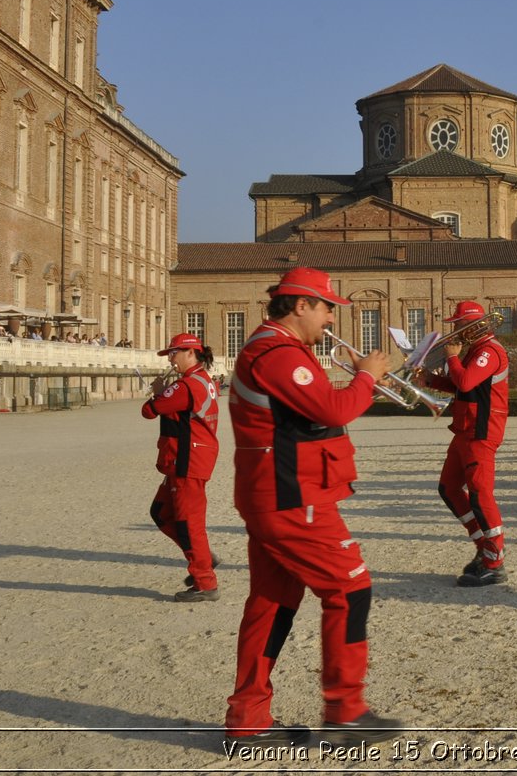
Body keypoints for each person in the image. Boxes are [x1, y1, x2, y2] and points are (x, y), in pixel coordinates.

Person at [222, 266, 400, 750]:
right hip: (291, 496)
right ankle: (345, 711)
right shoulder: (278, 353)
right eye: (326, 309)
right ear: (300, 305)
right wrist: (366, 377)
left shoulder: (276, 348)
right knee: (351, 588)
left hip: (281, 493)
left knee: (271, 605)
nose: (330, 321)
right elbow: (333, 411)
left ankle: (248, 721)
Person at [423, 300, 512, 586]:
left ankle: (494, 560)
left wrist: (450, 357)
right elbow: (460, 384)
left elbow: (465, 381)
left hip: (482, 431)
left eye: (459, 325)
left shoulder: (490, 350)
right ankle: (482, 546)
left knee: (480, 494)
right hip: (465, 429)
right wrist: (429, 380)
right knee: (448, 488)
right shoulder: (476, 349)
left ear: (473, 325)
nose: (455, 332)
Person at [140, 333, 221, 601]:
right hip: (191, 458)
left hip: (187, 460)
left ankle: (205, 581)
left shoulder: (186, 385)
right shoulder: (204, 380)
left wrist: (159, 391)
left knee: (188, 524)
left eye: (173, 353)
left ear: (190, 352)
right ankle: (203, 558)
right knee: (161, 513)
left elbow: (149, 410)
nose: (171, 359)